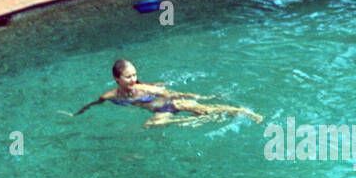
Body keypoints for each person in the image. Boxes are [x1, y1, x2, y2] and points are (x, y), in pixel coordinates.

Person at [62, 58, 263, 127]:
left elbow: (169, 93)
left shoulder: (145, 88)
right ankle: (189, 122)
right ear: (117, 79)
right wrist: (74, 115)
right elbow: (92, 105)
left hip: (169, 104)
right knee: (151, 126)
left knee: (206, 109)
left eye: (134, 75)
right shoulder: (110, 96)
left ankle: (244, 112)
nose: (133, 80)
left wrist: (196, 98)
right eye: (128, 77)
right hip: (158, 112)